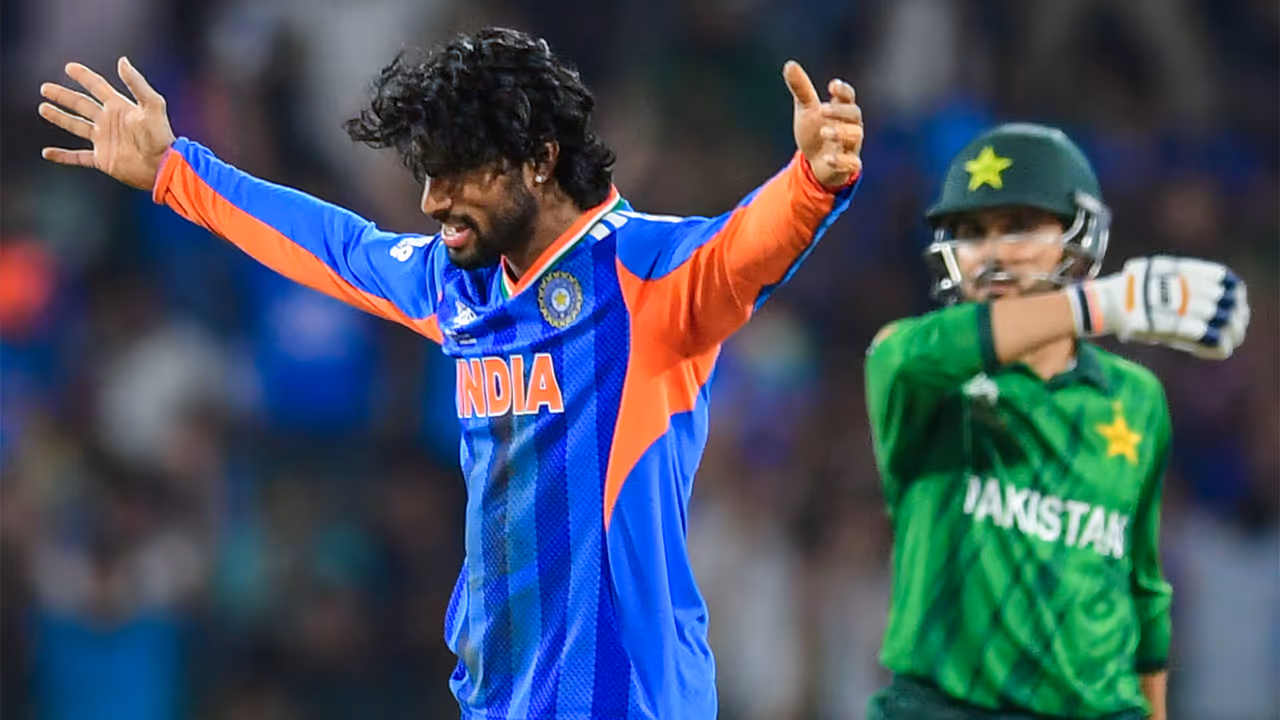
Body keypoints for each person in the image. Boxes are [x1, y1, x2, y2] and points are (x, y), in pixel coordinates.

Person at [37, 27, 864, 720]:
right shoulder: (460, 284)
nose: (433, 200)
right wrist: (176, 173)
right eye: (428, 173)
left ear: (539, 160)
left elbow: (742, 249)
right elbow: (338, 248)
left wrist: (812, 182)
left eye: (459, 172)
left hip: (627, 702)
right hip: (498, 700)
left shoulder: (645, 276)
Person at [863, 123, 1250, 720]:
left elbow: (1141, 592)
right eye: (970, 232)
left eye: (1018, 225)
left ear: (1079, 242)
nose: (992, 253)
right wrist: (1106, 304)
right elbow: (911, 354)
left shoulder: (1135, 398)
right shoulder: (919, 374)